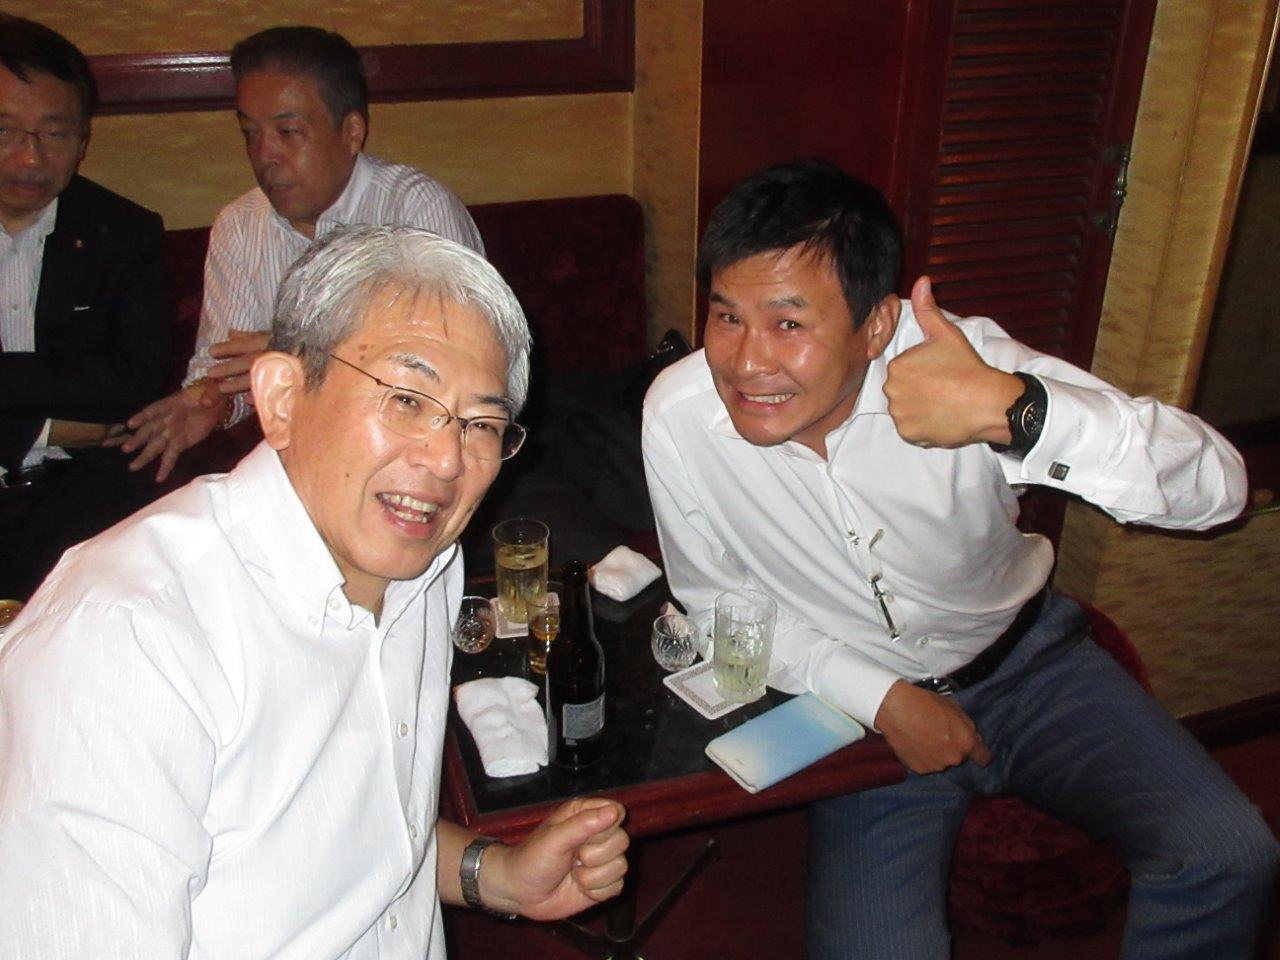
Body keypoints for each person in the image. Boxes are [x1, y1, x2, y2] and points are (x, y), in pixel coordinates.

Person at [642, 159, 1279, 959]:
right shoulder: (679, 416)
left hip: (1030, 666)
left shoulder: (963, 366)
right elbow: (713, 600)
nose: (745, 362)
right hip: (857, 713)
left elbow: (1219, 489)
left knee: (1229, 853)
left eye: (789, 324)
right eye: (727, 316)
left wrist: (1016, 413)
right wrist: (882, 700)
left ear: (877, 325)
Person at [0, 225, 629, 957]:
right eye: (406, 398)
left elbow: (356, 827)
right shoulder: (126, 642)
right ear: (282, 398)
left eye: (481, 423)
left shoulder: (425, 567)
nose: (447, 459)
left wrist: (497, 875)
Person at [120, 25, 483, 483]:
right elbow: (226, 365)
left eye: (288, 132)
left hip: (417, 449)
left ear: (351, 132)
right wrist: (214, 400)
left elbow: (459, 362)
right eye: (250, 133)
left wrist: (309, 354)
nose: (264, 155)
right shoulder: (240, 224)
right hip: (298, 459)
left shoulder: (414, 208)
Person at [0, 15, 170, 598]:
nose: (29, 159)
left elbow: (137, 384)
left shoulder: (123, 232)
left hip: (82, 495)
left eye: (54, 134)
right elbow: (99, 393)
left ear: (83, 139)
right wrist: (46, 426)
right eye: (4, 131)